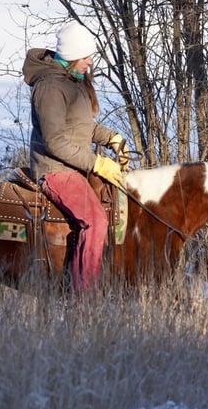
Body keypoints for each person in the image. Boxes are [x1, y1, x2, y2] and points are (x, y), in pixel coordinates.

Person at [23, 20, 130, 294]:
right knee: (96, 221)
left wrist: (111, 138)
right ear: (71, 57)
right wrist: (96, 162)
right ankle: (84, 300)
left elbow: (81, 127)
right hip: (55, 169)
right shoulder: (50, 87)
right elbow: (55, 141)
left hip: (74, 166)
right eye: (85, 57)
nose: (89, 63)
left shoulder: (72, 82)